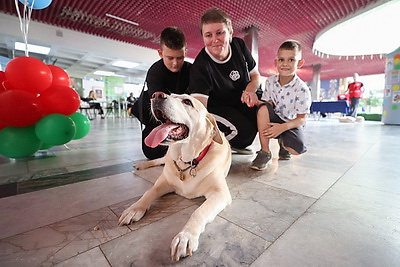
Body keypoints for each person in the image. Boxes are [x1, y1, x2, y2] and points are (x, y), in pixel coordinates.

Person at [188, 7, 261, 154]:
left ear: (230, 33)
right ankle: (216, 148)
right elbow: (200, 112)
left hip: (238, 101)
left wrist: (250, 90)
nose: (215, 40)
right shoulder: (201, 66)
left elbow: (256, 76)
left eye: (220, 33)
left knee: (263, 112)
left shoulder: (239, 46)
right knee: (244, 134)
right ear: (203, 37)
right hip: (216, 107)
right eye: (208, 35)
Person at [250, 40, 311, 171]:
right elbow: (268, 104)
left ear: (300, 63)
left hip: (290, 124)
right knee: (262, 110)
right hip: (275, 119)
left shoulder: (302, 89)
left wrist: (282, 128)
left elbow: (302, 119)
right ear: (276, 62)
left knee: (296, 149)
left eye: (291, 60)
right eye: (281, 59)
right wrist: (255, 100)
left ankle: (284, 145)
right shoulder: (270, 82)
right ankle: (265, 152)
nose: (285, 64)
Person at [141, 26, 191, 159]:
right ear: (160, 53)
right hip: (160, 118)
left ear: (186, 52)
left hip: (185, 118)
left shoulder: (192, 70)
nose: (175, 63)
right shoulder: (155, 72)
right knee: (152, 152)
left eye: (180, 58)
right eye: (170, 58)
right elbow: (161, 108)